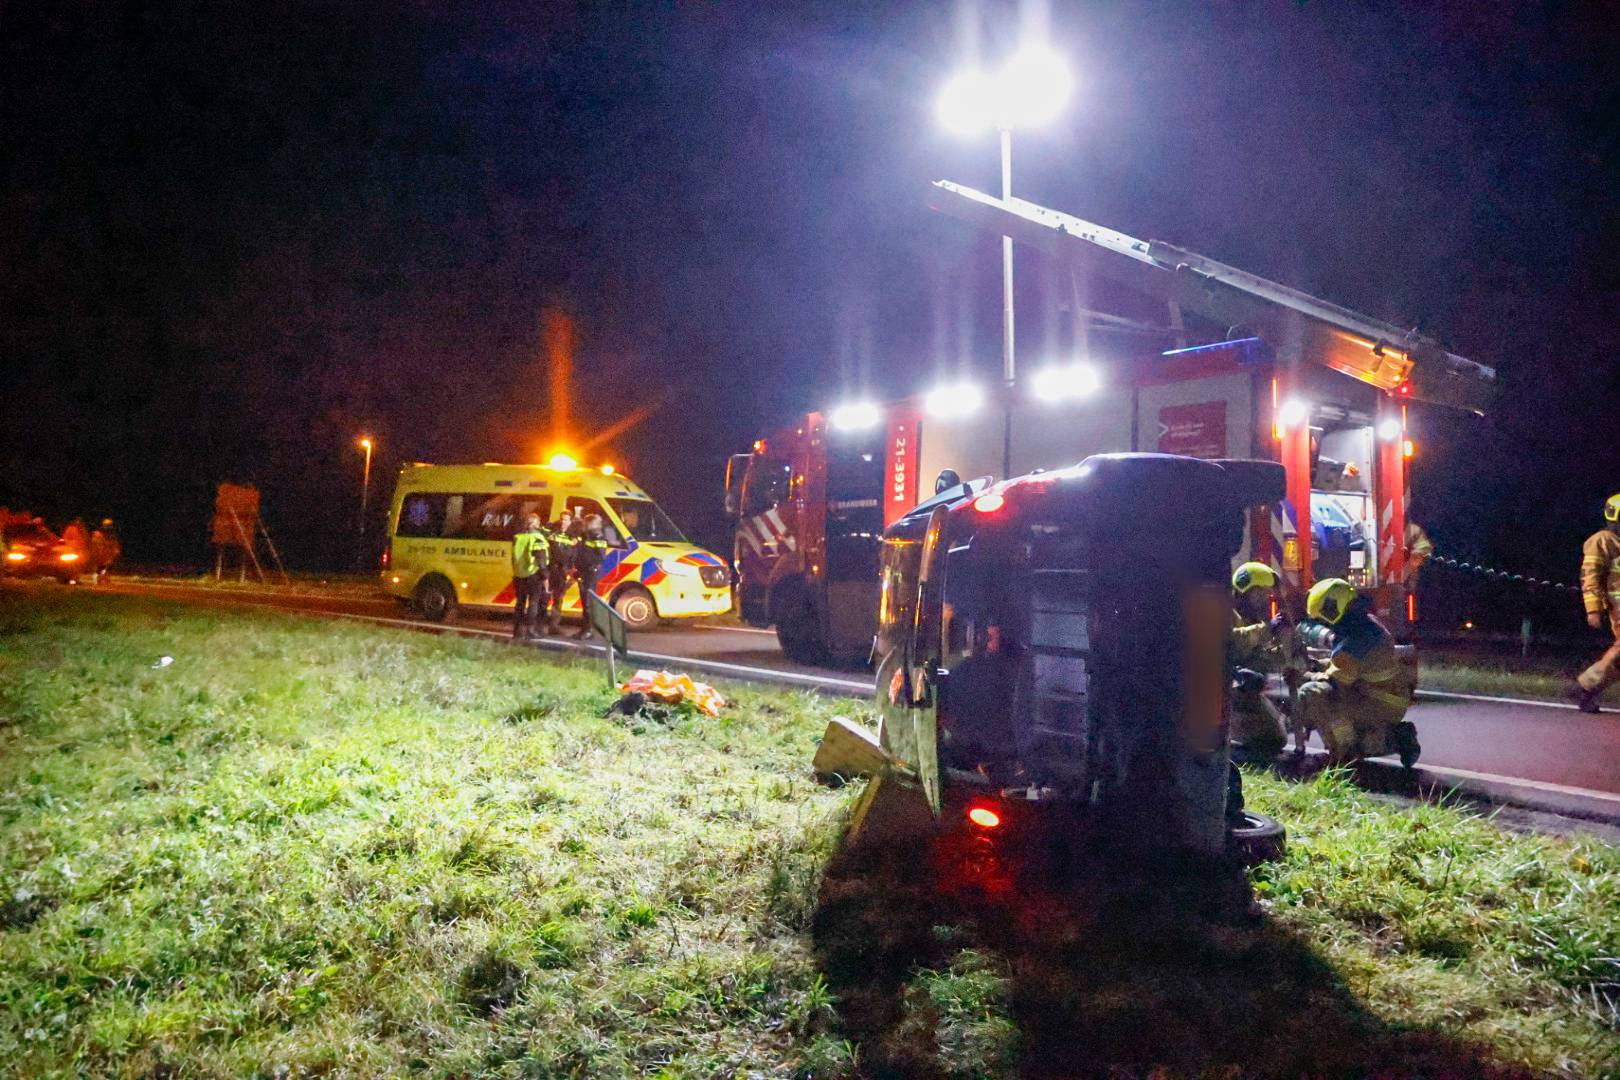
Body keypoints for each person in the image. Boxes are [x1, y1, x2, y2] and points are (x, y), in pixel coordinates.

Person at [1296, 578, 1420, 766]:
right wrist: (1319, 664)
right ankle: (1396, 736)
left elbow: (1335, 683)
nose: (1324, 623)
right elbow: (1354, 665)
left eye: (1323, 617)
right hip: (1390, 697)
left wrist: (1304, 674)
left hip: (1377, 702)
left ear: (1332, 610)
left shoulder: (1353, 644)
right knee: (1338, 702)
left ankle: (1343, 753)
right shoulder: (1368, 624)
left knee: (1314, 693)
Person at [1228, 561, 1289, 760]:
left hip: (1245, 688)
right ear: (1245, 590)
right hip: (1222, 686)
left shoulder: (1251, 619)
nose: (1264, 599)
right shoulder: (1224, 612)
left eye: (1266, 594)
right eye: (1260, 593)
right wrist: (1266, 629)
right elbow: (1232, 642)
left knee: (1275, 739)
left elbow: (1262, 658)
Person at [1574, 494, 1620, 713]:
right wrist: (1593, 610)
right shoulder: (1602, 540)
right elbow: (1590, 577)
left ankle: (1586, 688)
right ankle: (1586, 687)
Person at [509, 512, 550, 641]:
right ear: (535, 524)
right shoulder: (537, 538)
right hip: (533, 574)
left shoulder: (518, 537)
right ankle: (530, 630)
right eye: (538, 523)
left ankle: (517, 631)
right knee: (533, 603)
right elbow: (540, 558)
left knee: (520, 603)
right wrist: (545, 575)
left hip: (519, 574)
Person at [571, 511, 610, 638]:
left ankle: (588, 630)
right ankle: (585, 629)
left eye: (585, 523)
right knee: (584, 601)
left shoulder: (598, 537)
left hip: (590, 573)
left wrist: (588, 566)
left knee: (588, 601)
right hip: (583, 571)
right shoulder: (585, 536)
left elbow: (600, 557)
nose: (583, 525)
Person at [544, 510, 576, 635]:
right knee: (545, 597)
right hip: (551, 568)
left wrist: (571, 569)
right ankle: (539, 626)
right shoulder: (553, 533)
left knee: (558, 599)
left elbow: (573, 554)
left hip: (563, 571)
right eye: (562, 519)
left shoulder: (572, 536)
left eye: (566, 519)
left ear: (570, 522)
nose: (563, 522)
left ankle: (553, 626)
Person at [89, 518, 120, 583]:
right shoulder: (97, 534)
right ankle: (97, 577)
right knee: (100, 567)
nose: (109, 528)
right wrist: (96, 553)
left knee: (108, 567)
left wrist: (116, 551)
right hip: (100, 556)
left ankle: (104, 577)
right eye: (107, 526)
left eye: (110, 526)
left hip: (108, 555)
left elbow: (114, 544)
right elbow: (95, 545)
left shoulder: (111, 536)